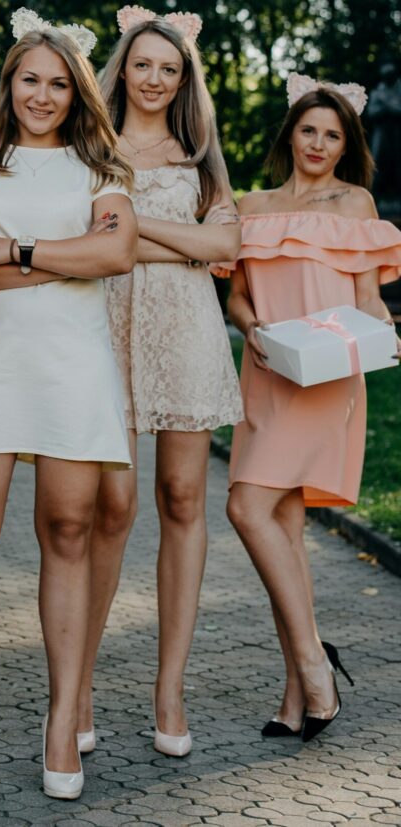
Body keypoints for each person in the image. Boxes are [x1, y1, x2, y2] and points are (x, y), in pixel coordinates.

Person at [0, 8, 136, 801]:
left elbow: (116, 252)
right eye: (31, 79)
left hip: (73, 365)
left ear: (78, 93)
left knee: (68, 528)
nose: (44, 94)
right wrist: (65, 260)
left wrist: (18, 250)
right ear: (8, 83)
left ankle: (63, 721)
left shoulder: (104, 171)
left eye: (60, 84)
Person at [79, 5, 243, 758]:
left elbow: (224, 245)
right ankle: (75, 684)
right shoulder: (90, 143)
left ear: (185, 80)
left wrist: (136, 232)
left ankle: (168, 686)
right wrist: (177, 242)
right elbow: (86, 241)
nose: (153, 79)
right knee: (111, 507)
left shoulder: (200, 153)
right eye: (142, 64)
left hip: (186, 335)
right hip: (102, 330)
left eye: (168, 69)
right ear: (123, 68)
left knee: (183, 498)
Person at [222, 73, 400, 742]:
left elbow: (367, 295)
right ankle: (298, 690)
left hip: (326, 373)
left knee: (246, 506)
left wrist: (385, 335)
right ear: (289, 135)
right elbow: (236, 295)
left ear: (345, 141)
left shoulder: (354, 202)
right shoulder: (251, 203)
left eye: (332, 133)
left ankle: (312, 667)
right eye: (308, 130)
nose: (319, 143)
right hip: (268, 369)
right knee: (284, 529)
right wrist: (254, 329)